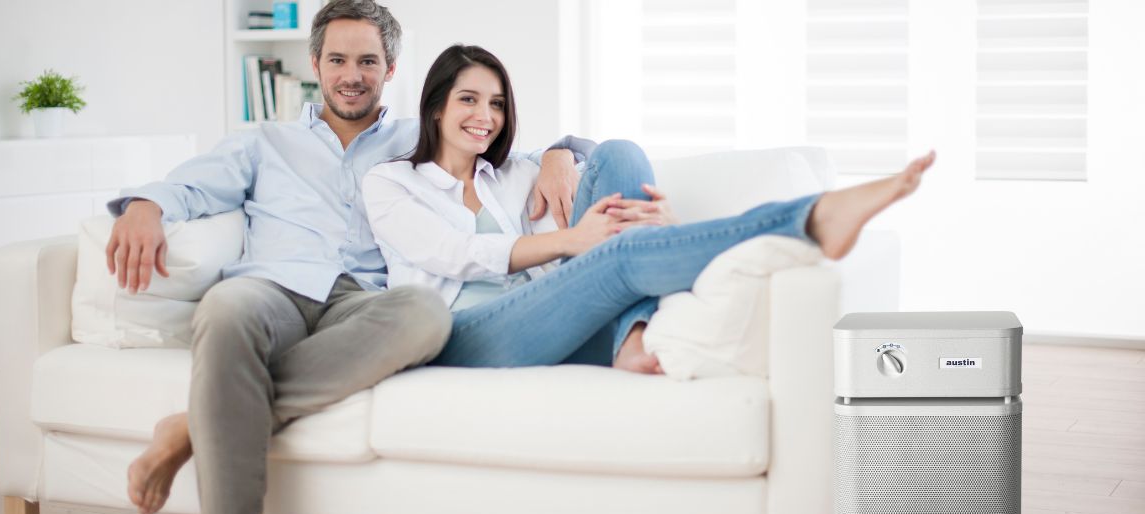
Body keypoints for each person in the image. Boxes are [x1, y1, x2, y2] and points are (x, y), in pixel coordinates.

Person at [109, 3, 588, 514]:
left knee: (424, 314)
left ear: (390, 68)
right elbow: (188, 189)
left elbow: (498, 141)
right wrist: (144, 205)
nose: (352, 74)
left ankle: (197, 422)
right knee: (224, 310)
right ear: (315, 65)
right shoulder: (263, 142)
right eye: (338, 60)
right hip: (274, 288)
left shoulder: (419, 138)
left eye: (368, 61)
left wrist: (562, 152)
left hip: (365, 299)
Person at [362, 44, 935, 371]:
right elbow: (457, 253)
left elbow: (599, 163)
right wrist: (570, 241)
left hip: (545, 318)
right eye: (468, 100)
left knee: (620, 153)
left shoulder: (512, 172)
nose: (485, 117)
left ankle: (628, 338)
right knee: (614, 253)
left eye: (496, 104)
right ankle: (807, 219)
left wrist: (563, 151)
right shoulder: (391, 183)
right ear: (435, 107)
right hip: (463, 335)